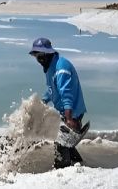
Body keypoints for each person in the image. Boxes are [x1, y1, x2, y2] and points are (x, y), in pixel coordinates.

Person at [29, 37, 89, 169]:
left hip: (72, 113)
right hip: (65, 112)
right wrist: (41, 102)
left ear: (47, 54)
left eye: (39, 56)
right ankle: (80, 164)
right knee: (66, 142)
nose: (38, 60)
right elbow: (52, 89)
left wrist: (69, 119)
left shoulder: (61, 68)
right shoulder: (50, 67)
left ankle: (62, 169)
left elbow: (66, 94)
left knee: (60, 144)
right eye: (36, 57)